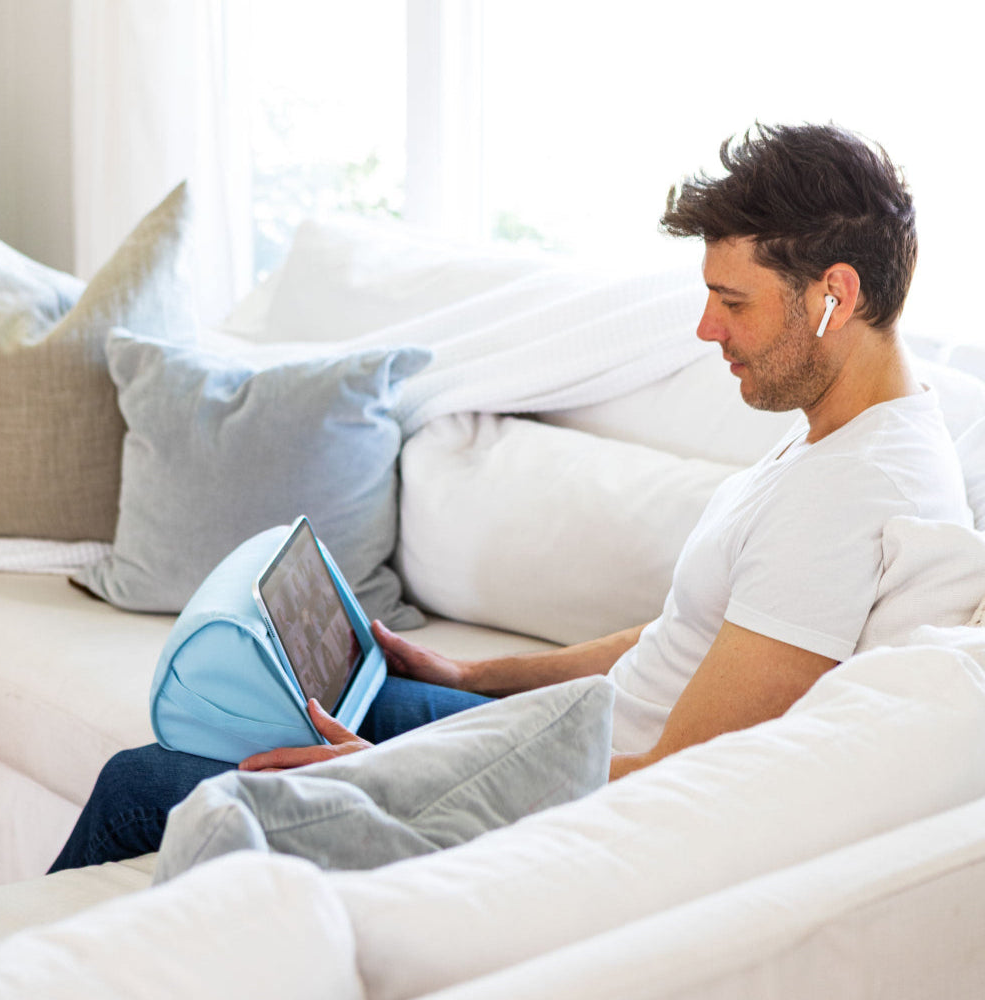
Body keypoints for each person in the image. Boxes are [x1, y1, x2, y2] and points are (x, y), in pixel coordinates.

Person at [50, 122, 971, 871]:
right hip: (558, 745)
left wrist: (400, 783)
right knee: (282, 702)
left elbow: (679, 779)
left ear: (834, 295)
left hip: (572, 797)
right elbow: (679, 637)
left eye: (733, 302)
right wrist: (467, 677)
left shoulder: (849, 498)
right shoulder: (841, 434)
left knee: (143, 786)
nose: (706, 328)